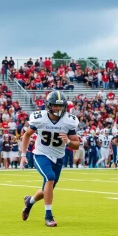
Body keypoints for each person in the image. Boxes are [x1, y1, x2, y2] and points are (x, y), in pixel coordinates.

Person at [20, 91, 79, 227]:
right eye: (55, 106)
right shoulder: (39, 118)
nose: (58, 109)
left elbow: (76, 143)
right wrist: (23, 155)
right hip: (41, 153)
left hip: (58, 156)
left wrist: (68, 142)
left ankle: (30, 201)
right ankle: (48, 216)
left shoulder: (69, 121)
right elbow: (27, 135)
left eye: (60, 106)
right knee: (50, 177)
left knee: (48, 187)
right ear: (48, 105)